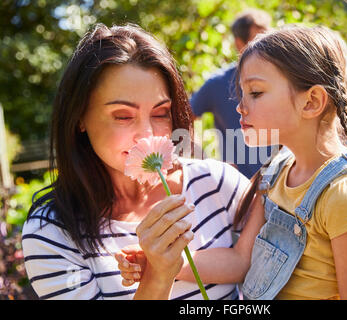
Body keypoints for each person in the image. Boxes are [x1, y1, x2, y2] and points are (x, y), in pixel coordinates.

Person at [117, 25, 347, 300]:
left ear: (311, 102)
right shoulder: (276, 171)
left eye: (256, 93)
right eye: (242, 93)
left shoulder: (346, 194)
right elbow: (240, 260)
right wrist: (167, 263)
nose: (240, 107)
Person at [21, 23, 250, 300]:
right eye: (123, 116)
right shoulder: (52, 232)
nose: (147, 135)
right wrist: (158, 274)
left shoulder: (217, 183)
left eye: (161, 113)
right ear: (79, 117)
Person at [190, 8, 273, 179]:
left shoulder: (280, 80)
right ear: (239, 43)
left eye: (269, 39)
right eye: (258, 40)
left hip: (280, 186)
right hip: (238, 190)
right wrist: (207, 163)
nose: (267, 47)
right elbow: (182, 119)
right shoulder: (217, 84)